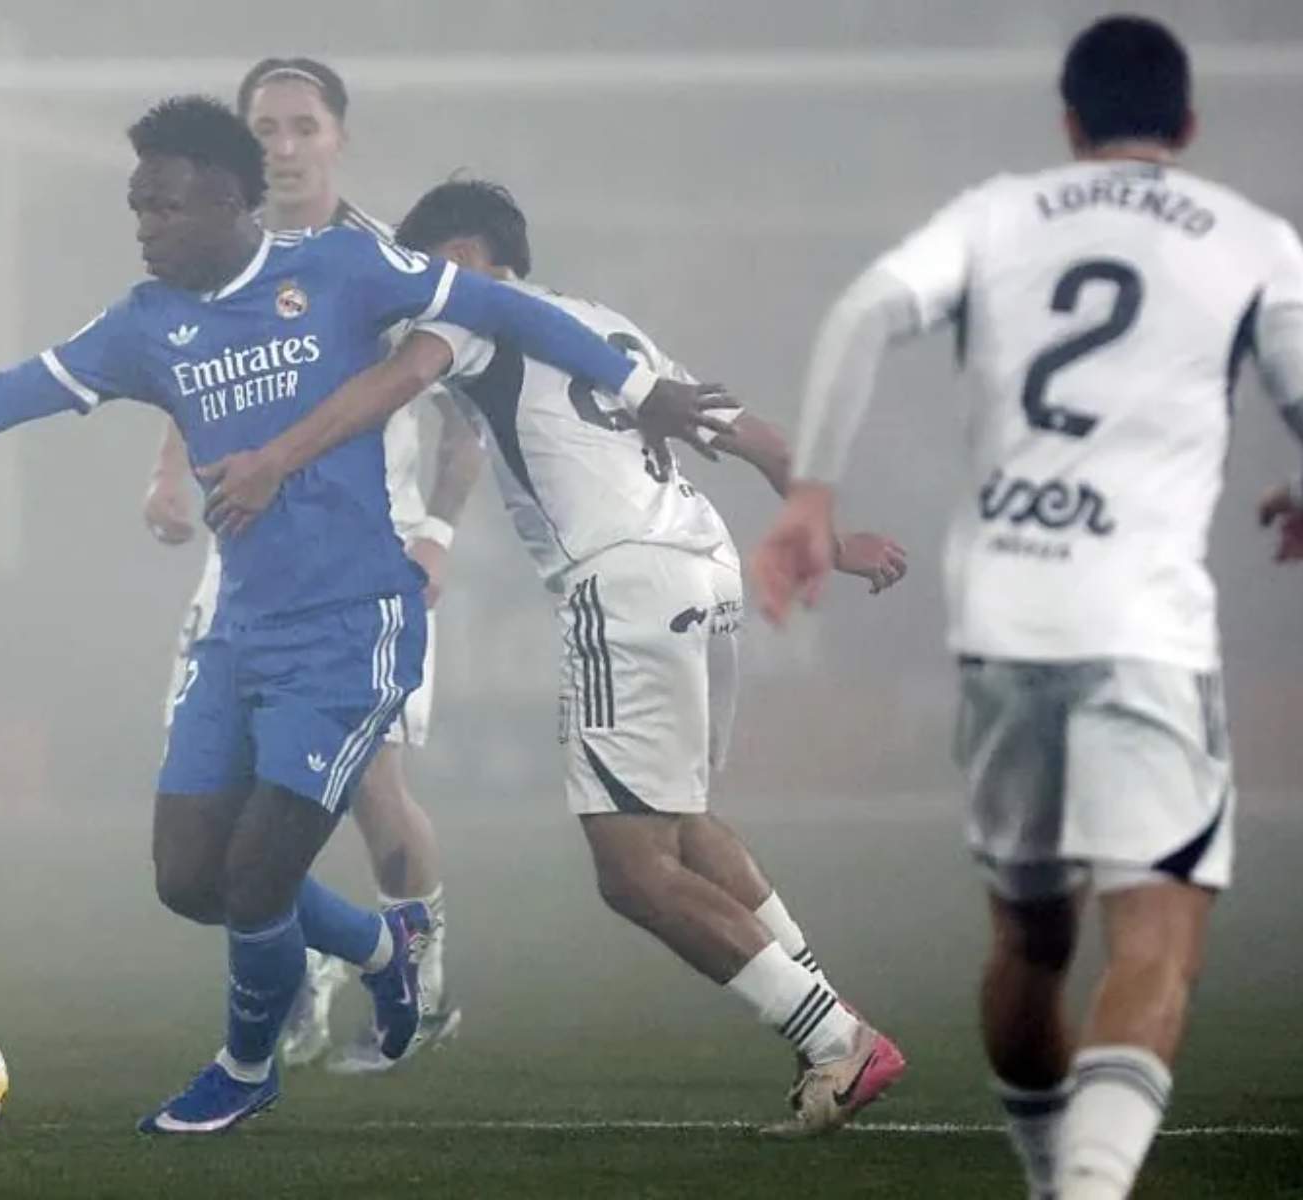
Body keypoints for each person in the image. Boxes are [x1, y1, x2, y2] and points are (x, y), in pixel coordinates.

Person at [0, 96, 723, 1135]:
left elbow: (497, 307)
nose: (144, 226)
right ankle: (384, 953)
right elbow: (0, 395)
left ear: (231, 200)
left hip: (352, 628)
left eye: (162, 206)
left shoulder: (338, 271)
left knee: (254, 877)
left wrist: (634, 382)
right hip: (239, 633)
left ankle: (244, 1071)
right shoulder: (142, 324)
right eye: (136, 208)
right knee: (186, 880)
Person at [199, 177, 911, 1136]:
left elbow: (395, 383)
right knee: (688, 829)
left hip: (621, 583)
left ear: (465, 256)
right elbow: (746, 432)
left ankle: (836, 1039)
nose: (417, 290)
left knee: (632, 870)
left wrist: (276, 456)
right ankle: (832, 1027)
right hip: (704, 572)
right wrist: (834, 532)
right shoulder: (611, 328)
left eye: (426, 266)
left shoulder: (479, 317)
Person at [748, 16, 1303, 1197]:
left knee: (1026, 946)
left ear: (1067, 123)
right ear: (1188, 128)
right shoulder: (1254, 240)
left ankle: (1057, 1180)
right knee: (1152, 942)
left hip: (1002, 620)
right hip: (1142, 624)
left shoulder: (1001, 211)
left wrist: (810, 497)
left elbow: (861, 312)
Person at [141, 56, 477, 1070]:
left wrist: (436, 537)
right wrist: (166, 473)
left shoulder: (381, 264)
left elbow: (462, 415)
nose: (283, 149)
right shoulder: (222, 255)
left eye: (302, 127)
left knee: (374, 795)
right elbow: (181, 370)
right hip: (242, 564)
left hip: (357, 571)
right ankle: (287, 981)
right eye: (265, 131)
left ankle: (418, 975)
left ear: (337, 136)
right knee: (224, 812)